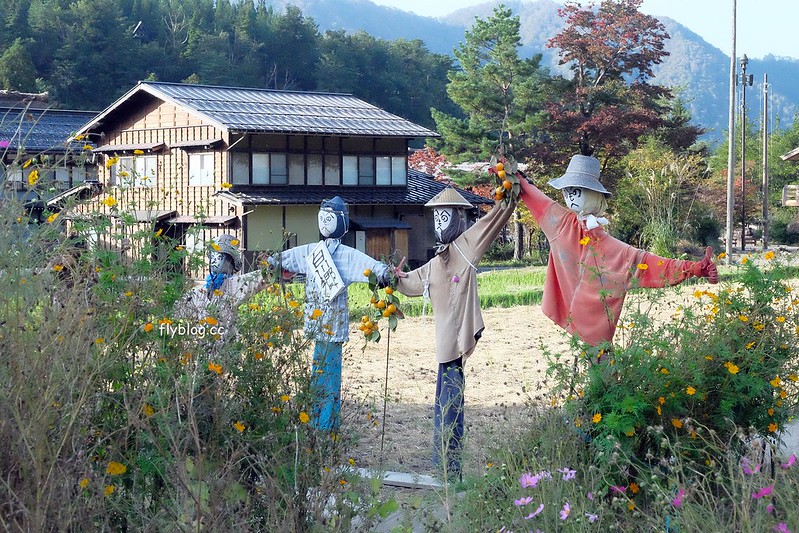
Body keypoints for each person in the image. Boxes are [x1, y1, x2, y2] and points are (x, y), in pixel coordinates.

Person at [517, 154, 719, 348]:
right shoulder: (562, 224)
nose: (570, 195)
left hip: (596, 330)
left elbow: (649, 263)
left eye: (577, 190)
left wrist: (693, 268)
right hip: (571, 313)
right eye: (567, 190)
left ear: (593, 195)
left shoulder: (612, 249)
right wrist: (516, 179)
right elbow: (539, 201)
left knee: (600, 366)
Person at [394, 187, 516, 477]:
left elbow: (493, 221)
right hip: (442, 346)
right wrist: (390, 278)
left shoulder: (466, 246)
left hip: (455, 344)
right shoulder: (436, 262)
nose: (439, 223)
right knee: (445, 403)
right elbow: (411, 281)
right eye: (436, 217)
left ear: (459, 217)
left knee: (450, 403)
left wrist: (507, 198)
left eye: (445, 217)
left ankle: (449, 466)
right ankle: (445, 464)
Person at [269, 196, 391, 431]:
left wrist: (383, 272)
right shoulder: (320, 252)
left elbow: (368, 266)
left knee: (326, 378)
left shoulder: (331, 253)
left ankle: (324, 426)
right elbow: (288, 259)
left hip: (328, 327)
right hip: (323, 327)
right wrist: (274, 263)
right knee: (322, 378)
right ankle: (321, 426)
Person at [175, 233, 267, 344]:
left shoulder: (234, 285)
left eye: (221, 257)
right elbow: (175, 310)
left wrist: (276, 266)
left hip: (226, 348)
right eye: (213, 256)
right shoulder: (198, 292)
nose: (215, 261)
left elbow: (260, 278)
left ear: (231, 263)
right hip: (203, 349)